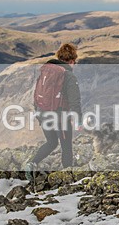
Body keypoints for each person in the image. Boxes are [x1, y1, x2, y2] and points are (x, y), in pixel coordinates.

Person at [26, 43, 82, 177]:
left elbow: (38, 92)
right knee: (66, 145)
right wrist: (78, 120)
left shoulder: (47, 70)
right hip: (59, 116)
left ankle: (31, 163)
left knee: (51, 142)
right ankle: (69, 177)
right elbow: (75, 101)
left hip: (42, 112)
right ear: (72, 61)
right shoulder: (67, 75)